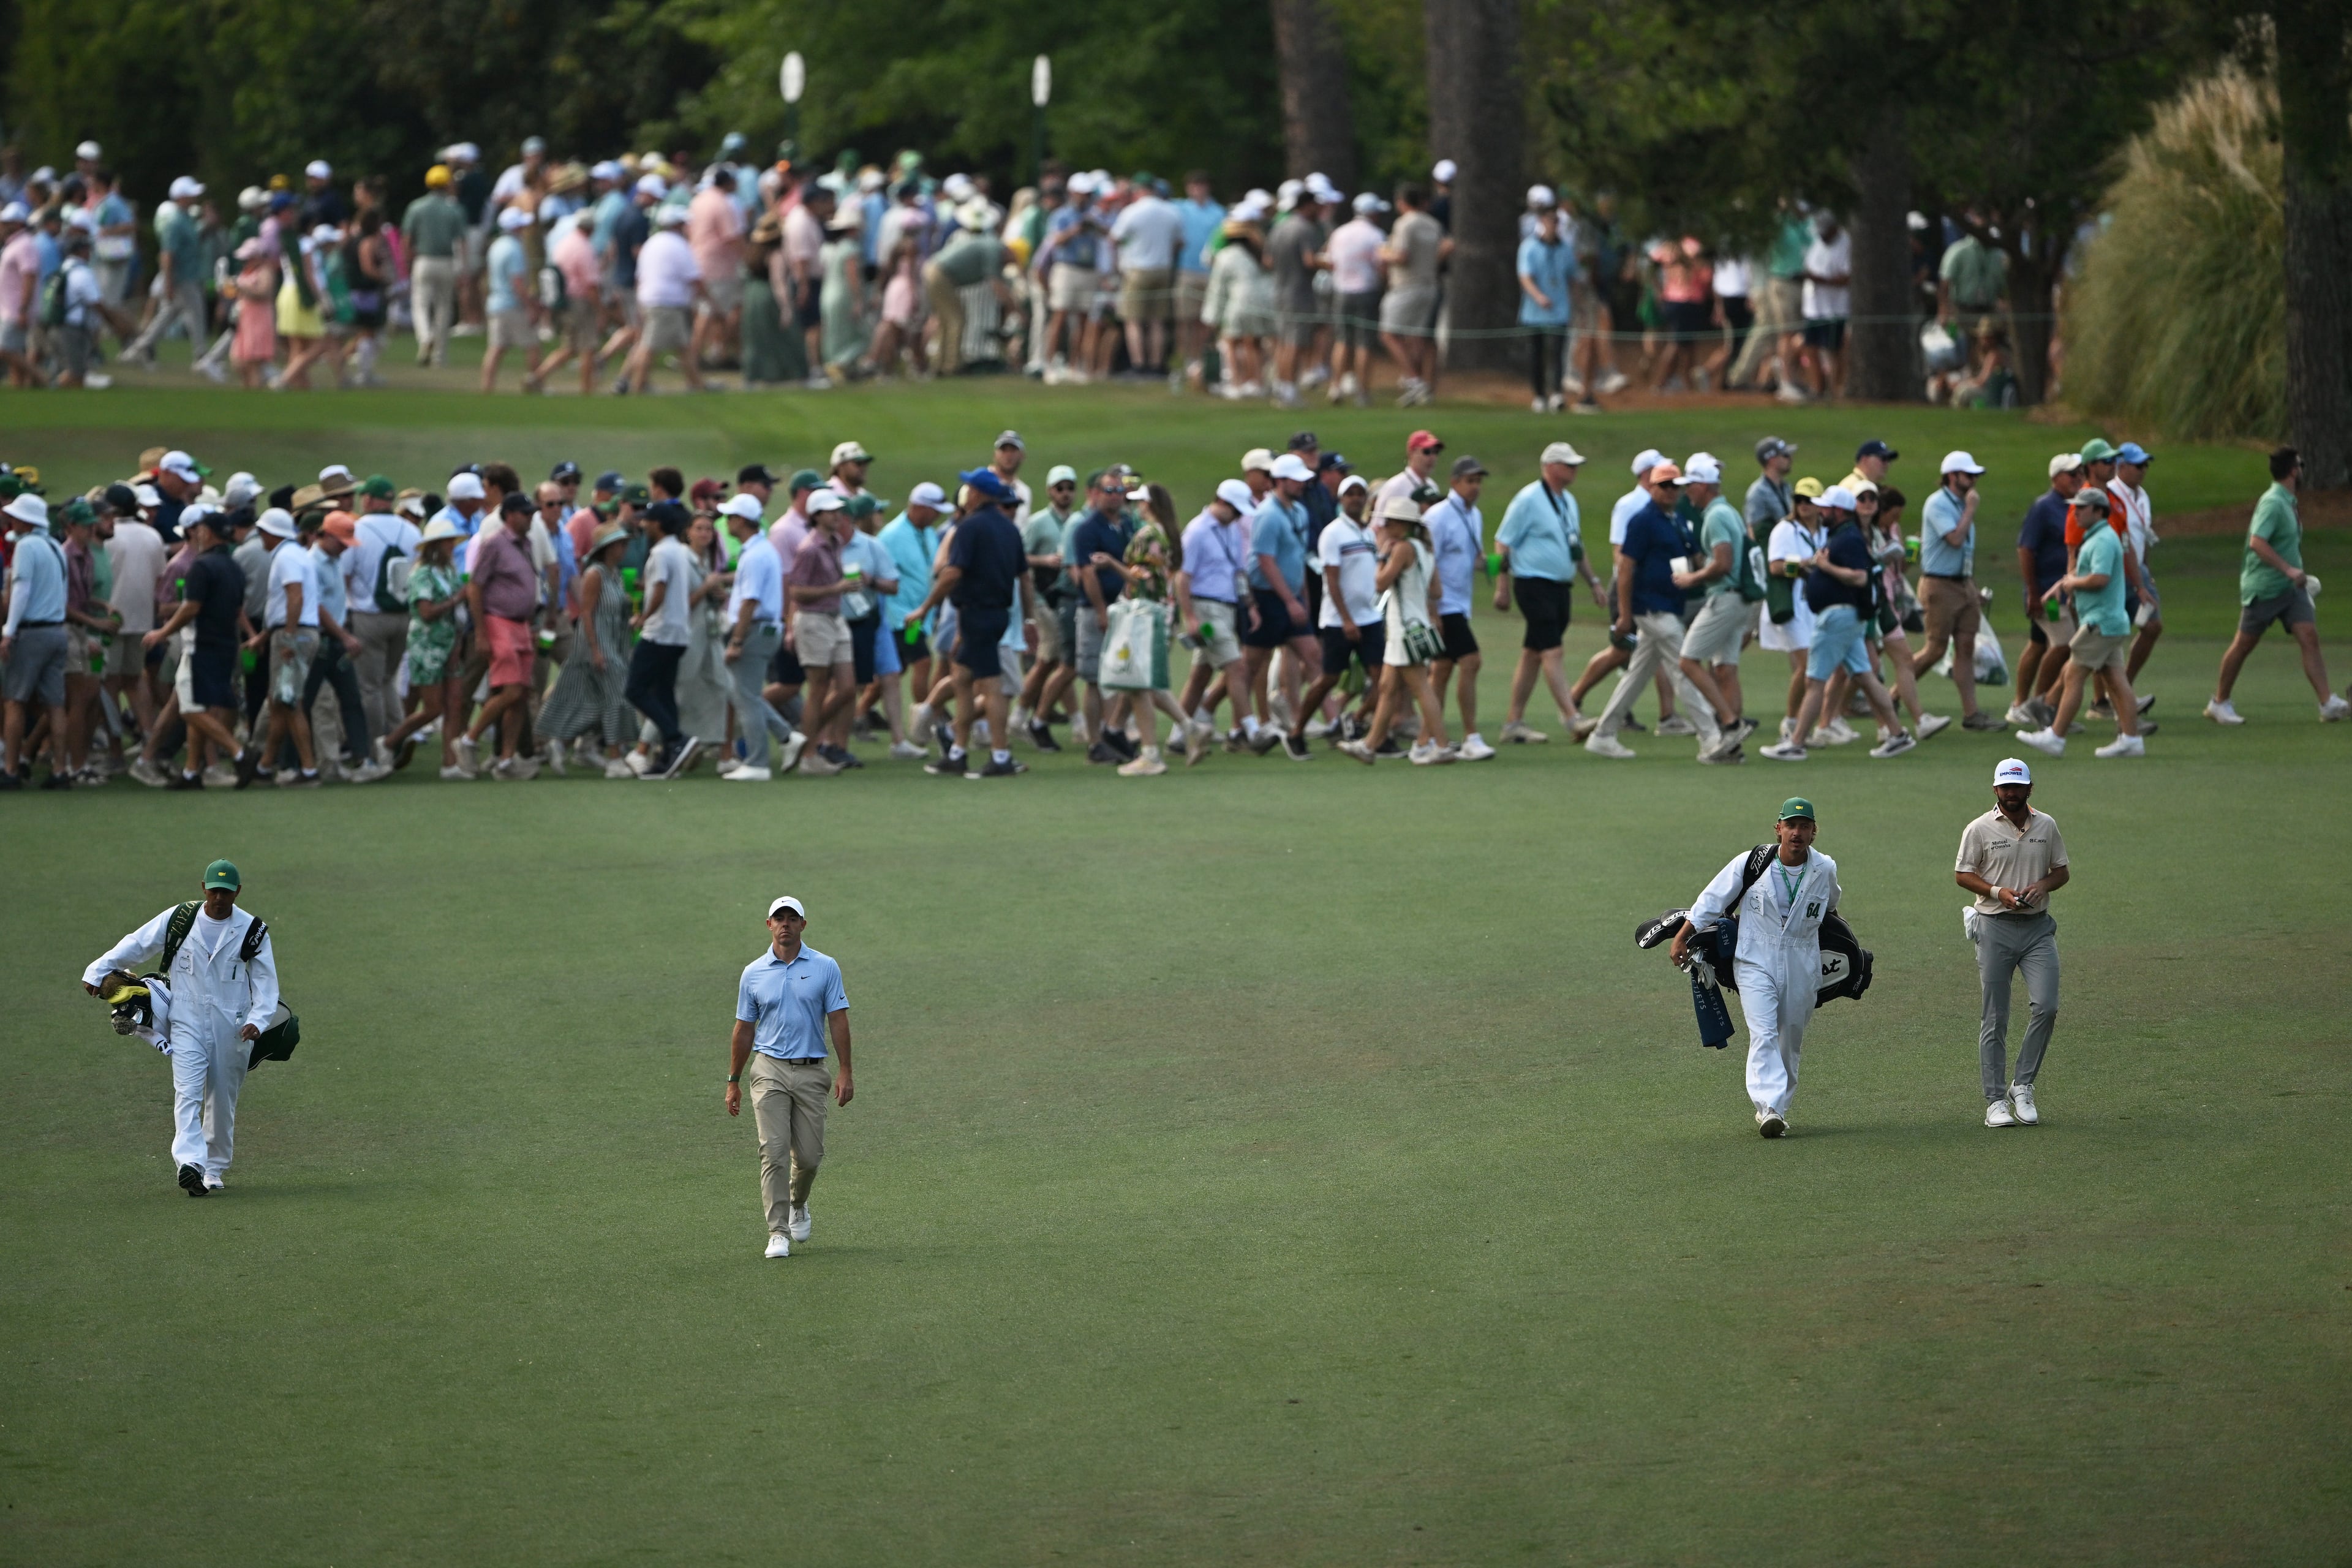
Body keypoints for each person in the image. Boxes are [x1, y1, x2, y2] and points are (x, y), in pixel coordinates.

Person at [81, 859, 281, 1196]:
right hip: (186, 1018)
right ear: (204, 889)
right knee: (187, 1093)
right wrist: (97, 971)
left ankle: (214, 1168)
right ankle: (190, 1164)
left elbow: (266, 982)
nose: (219, 898)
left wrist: (257, 1021)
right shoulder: (179, 919)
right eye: (214, 890)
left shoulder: (252, 930)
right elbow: (138, 943)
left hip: (232, 1026)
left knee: (221, 1098)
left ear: (238, 892)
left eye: (226, 892)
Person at [1671, 798, 1842, 1137]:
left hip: (1801, 963)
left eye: (1804, 826)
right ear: (1778, 828)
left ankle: (1779, 1107)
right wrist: (1682, 937)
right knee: (1763, 1031)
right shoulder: (1752, 862)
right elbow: (1712, 899)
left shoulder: (1825, 869)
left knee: (1790, 1035)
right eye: (1790, 826)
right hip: (1754, 959)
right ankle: (1768, 1109)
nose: (1797, 833)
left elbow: (1832, 907)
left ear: (1813, 832)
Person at [724, 895, 854, 1259]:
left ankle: (799, 1203)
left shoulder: (826, 967)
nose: (785, 924)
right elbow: (744, 1029)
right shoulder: (753, 973)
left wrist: (846, 1070)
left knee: (810, 1157)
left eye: (791, 918)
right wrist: (733, 1080)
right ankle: (777, 1231)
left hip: (813, 1071)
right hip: (769, 1070)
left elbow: (838, 1018)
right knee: (774, 1151)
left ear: (802, 925)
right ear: (769, 925)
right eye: (778, 918)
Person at [1581, 461, 1736, 763]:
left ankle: (1603, 735)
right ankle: (1712, 738)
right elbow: (1626, 569)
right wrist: (1625, 615)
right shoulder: (1642, 521)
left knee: (1637, 674)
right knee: (1684, 668)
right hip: (1650, 608)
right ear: (1652, 488)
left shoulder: (1675, 518)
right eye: (1663, 486)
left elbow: (1693, 557)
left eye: (1674, 486)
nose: (1670, 491)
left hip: (1669, 605)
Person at [1758, 486, 1913, 761]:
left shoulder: (1847, 538)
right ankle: (1898, 734)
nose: (1820, 511)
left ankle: (1796, 743)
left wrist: (1825, 568)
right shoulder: (1841, 536)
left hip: (1838, 616)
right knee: (1865, 676)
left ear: (1838, 511)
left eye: (1825, 507)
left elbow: (1860, 577)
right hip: (1846, 616)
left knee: (1815, 680)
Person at [1955, 759, 2069, 1129]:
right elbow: (1962, 874)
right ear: (1996, 790)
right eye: (2006, 788)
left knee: (2047, 1006)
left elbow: (2061, 871)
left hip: (2037, 930)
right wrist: (1995, 892)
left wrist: (2043, 886)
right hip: (1994, 928)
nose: (2012, 793)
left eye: (2018, 787)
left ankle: (2023, 1085)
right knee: (1996, 1016)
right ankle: (1994, 1101)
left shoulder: (2047, 825)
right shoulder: (1979, 829)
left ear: (2029, 788)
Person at [2207, 447, 2348, 724]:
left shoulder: (2288, 501)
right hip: (2266, 587)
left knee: (2309, 636)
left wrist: (2296, 575)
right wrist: (2288, 569)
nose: (2303, 470)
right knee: (2244, 644)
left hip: (2292, 589)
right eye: (2301, 465)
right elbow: (2257, 542)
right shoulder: (2273, 502)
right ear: (2294, 471)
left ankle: (2327, 703)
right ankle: (2219, 702)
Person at [2013, 486, 2147, 758]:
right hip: (2108, 621)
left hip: (2100, 622)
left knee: (2073, 674)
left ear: (2099, 511)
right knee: (2117, 681)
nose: (2075, 512)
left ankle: (2056, 737)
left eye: (2082, 508)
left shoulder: (2102, 540)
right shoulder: (2098, 537)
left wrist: (2072, 582)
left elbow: (2100, 579)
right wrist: (2066, 584)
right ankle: (2131, 739)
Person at [916, 467, 1032, 778]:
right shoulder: (1009, 529)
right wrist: (1030, 617)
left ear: (977, 493)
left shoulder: (970, 527)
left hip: (978, 613)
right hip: (992, 616)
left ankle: (1001, 755)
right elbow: (1025, 577)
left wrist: (925, 607)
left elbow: (953, 573)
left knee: (991, 686)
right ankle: (957, 751)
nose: (965, 493)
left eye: (968, 488)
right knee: (962, 678)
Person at [1493, 442, 1606, 742]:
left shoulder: (1569, 501)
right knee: (1552, 649)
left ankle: (1513, 723)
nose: (1574, 470)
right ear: (1551, 467)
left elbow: (1576, 546)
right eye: (1568, 465)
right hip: (1532, 583)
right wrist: (1501, 585)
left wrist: (1593, 581)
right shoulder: (1528, 499)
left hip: (1560, 586)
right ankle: (1572, 717)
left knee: (1533, 652)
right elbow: (1502, 543)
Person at [1338, 496, 1452, 763]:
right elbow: (1436, 590)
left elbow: (1380, 583)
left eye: (1389, 522)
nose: (1385, 526)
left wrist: (1382, 556)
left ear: (1402, 524)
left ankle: (1443, 746)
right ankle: (1369, 746)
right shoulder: (1425, 549)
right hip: (1416, 623)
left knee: (1421, 688)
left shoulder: (1402, 549)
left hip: (1404, 628)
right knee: (1388, 688)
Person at [538, 522, 641, 778]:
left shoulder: (614, 574)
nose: (624, 549)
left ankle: (563, 742)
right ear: (607, 548)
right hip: (597, 643)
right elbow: (586, 612)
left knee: (598, 703)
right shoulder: (595, 574)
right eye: (620, 544)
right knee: (617, 698)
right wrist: (595, 650)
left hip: (614, 642)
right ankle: (615, 759)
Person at [454, 492, 545, 778]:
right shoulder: (494, 544)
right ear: (510, 515)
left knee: (520, 695)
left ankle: (506, 760)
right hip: (499, 621)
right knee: (511, 691)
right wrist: (481, 632)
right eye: (525, 513)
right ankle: (468, 740)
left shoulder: (526, 545)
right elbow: (475, 587)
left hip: (521, 625)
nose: (531, 518)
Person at [1672, 454, 1759, 744]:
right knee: (1725, 668)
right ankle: (1733, 739)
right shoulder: (1728, 511)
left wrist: (1692, 579)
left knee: (1687, 661)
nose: (1686, 492)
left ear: (1704, 486)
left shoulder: (1716, 516)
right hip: (1739, 601)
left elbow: (1722, 563)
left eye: (1690, 486)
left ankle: (1730, 722)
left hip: (1725, 598)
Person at [1910, 451, 2000, 729]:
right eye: (1968, 475)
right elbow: (1955, 539)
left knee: (1965, 647)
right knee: (1935, 649)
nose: (1974, 481)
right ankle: (1892, 696)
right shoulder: (1938, 504)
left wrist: (1972, 588)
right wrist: (1971, 510)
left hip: (1962, 584)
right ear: (1952, 476)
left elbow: (1965, 553)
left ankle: (1972, 715)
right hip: (1939, 585)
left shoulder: (1961, 504)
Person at [236, 508, 323, 787]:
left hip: (295, 635)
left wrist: (288, 638)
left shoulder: (286, 557)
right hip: (296, 632)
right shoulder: (294, 554)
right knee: (279, 703)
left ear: (273, 533)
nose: (260, 536)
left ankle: (309, 770)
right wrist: (264, 637)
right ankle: (264, 765)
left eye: (263, 531)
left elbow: (294, 598)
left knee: (290, 703)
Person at [1174, 478, 1259, 761]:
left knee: (1202, 673)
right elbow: (1183, 578)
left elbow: (1238, 572)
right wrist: (1190, 617)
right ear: (1221, 502)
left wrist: (1250, 605)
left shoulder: (1231, 530)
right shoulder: (1197, 532)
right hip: (1204, 608)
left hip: (1226, 607)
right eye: (1234, 510)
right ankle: (1251, 729)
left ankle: (1179, 733)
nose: (1237, 516)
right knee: (1236, 666)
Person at [1243, 453, 1321, 757]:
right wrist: (1290, 601)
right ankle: (1243, 727)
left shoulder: (1299, 512)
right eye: (1296, 480)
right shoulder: (1267, 515)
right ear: (1280, 482)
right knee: (1249, 667)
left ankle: (1302, 728)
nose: (1302, 485)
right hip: (1267, 599)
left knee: (1314, 657)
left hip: (1291, 598)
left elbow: (1296, 560)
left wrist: (1303, 599)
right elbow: (1266, 561)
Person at [379, 519, 467, 774]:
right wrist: (456, 600)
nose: (452, 546)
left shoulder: (449, 572)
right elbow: (426, 612)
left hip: (449, 644)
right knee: (433, 709)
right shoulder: (421, 574)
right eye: (448, 542)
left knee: (454, 704)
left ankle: (450, 764)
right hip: (427, 647)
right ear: (436, 546)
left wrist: (457, 644)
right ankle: (389, 742)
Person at [1, 492, 74, 788]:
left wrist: (8, 631)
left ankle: (10, 770)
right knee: (55, 705)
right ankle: (60, 770)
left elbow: (22, 590)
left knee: (15, 701)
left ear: (26, 521)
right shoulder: (56, 546)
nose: (10, 519)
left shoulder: (27, 546)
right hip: (57, 630)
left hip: (32, 632)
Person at [1424, 456, 1494, 760]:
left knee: (1440, 672)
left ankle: (1428, 738)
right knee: (1471, 661)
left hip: (1460, 604)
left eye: (1478, 481)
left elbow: (1473, 559)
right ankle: (1470, 736)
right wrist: (1432, 611)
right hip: (1444, 605)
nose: (1475, 487)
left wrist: (1499, 565)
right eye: (1470, 481)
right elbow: (1427, 563)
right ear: (1454, 483)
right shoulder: (1438, 516)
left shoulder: (1473, 516)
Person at [624, 501, 700, 778]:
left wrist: (643, 617)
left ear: (657, 524)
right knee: (664, 692)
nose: (643, 525)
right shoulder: (680, 551)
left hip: (659, 632)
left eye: (647, 521)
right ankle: (669, 758)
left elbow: (660, 589)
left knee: (635, 689)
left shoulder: (659, 553)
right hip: (679, 633)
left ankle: (675, 738)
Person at [2010, 453, 2081, 728]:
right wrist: (2033, 592)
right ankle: (2041, 705)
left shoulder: (2077, 506)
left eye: (2080, 472)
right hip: (2050, 597)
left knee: (2039, 644)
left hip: (2069, 592)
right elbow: (2026, 549)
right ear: (2055, 479)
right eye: (2070, 473)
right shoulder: (2044, 507)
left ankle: (2021, 704)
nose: (2077, 478)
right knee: (2064, 644)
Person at [1517, 202, 1576, 411]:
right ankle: (1540, 395)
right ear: (1542, 222)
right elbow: (1525, 277)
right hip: (1534, 313)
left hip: (1560, 310)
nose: (1554, 225)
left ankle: (1557, 394)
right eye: (1551, 220)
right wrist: (1539, 297)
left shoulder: (1566, 248)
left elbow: (1572, 277)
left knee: (1558, 354)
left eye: (1556, 221)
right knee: (1536, 354)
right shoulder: (1529, 247)